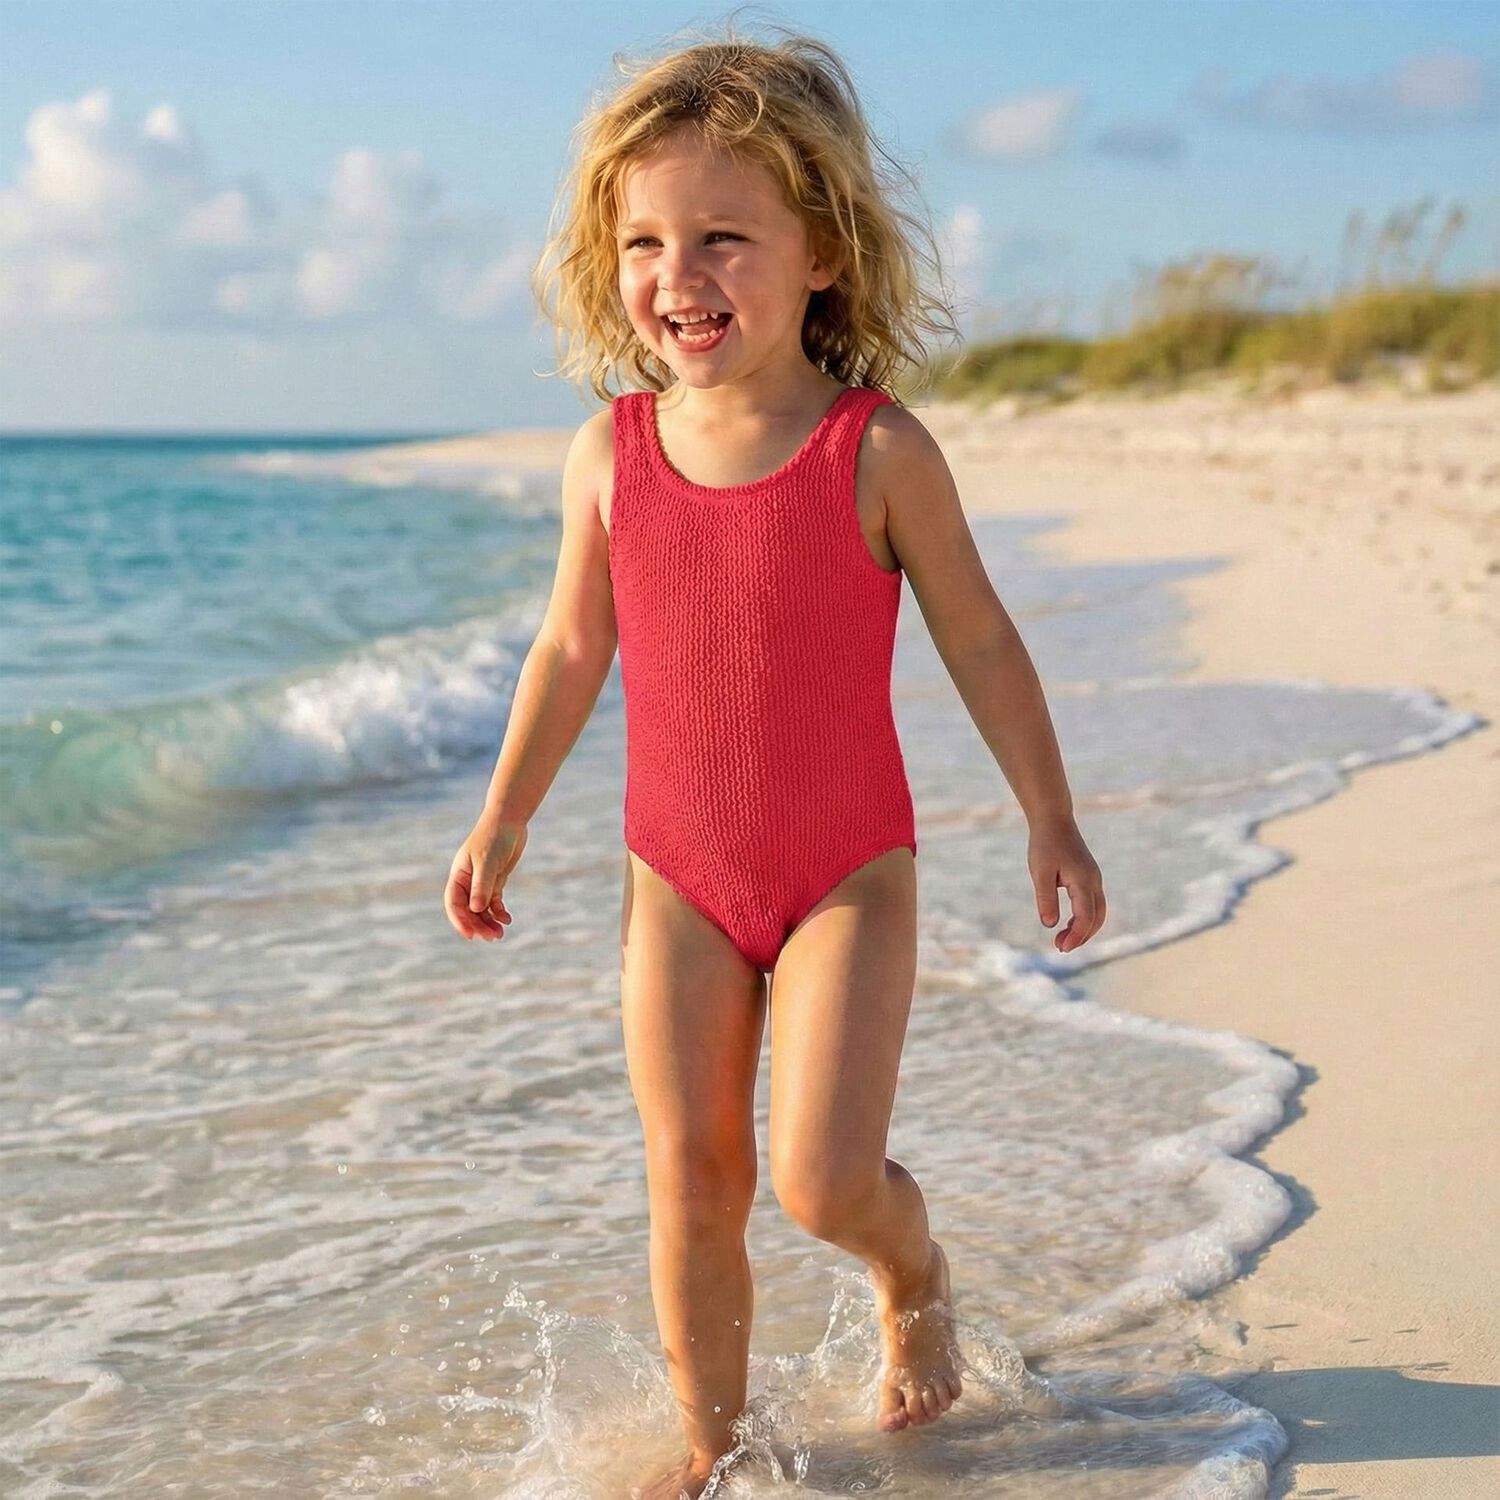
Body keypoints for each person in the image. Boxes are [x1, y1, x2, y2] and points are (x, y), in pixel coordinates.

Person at [443, 21, 1107, 1498]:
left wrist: (1050, 820)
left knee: (816, 1180)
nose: (678, 280)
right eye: (647, 243)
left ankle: (911, 1266)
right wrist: (505, 819)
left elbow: (983, 642)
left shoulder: (875, 451)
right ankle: (714, 1447)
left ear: (823, 251)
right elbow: (566, 655)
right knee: (690, 1178)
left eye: (724, 238)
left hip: (846, 876)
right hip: (673, 876)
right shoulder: (610, 457)